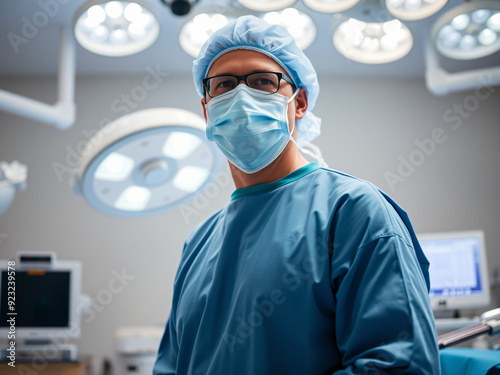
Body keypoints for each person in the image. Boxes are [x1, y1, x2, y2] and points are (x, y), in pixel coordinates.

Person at [154, 15, 440, 375]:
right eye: (224, 84)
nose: (241, 96)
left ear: (299, 102)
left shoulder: (352, 211)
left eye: (262, 81)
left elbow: (398, 365)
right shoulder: (198, 242)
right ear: (206, 109)